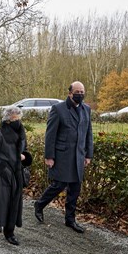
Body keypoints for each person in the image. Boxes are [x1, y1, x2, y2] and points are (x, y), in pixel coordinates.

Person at [34, 81, 93, 233]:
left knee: (75, 188)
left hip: (79, 156)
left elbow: (88, 133)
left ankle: (70, 219)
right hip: (62, 155)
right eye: (77, 92)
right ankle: (40, 204)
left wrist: (88, 154)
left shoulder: (86, 109)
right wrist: (49, 156)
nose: (80, 94)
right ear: (70, 93)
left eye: (82, 91)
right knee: (58, 185)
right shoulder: (58, 109)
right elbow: (50, 134)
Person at [0, 106, 31, 246]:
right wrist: (2, 168)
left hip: (17, 172)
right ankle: (2, 222)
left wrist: (25, 157)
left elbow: (25, 150)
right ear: (7, 121)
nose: (18, 122)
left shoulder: (21, 133)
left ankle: (9, 231)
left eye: (19, 119)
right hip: (3, 174)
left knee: (15, 203)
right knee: (3, 201)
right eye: (14, 119)